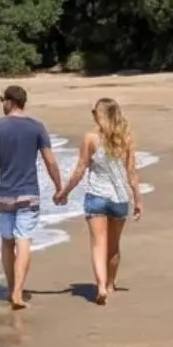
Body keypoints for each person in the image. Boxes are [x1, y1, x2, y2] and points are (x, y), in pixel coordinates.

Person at [0, 84, 64, 310]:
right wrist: (58, 186)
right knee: (24, 240)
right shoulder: (37, 128)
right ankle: (17, 292)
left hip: (3, 194)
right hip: (29, 194)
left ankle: (11, 287)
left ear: (10, 101)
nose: (2, 104)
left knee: (7, 241)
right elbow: (50, 161)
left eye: (2, 100)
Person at [56, 97, 144, 305]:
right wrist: (138, 199)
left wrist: (65, 191)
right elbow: (132, 173)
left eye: (94, 113)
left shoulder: (91, 139)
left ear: (99, 115)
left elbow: (80, 169)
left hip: (96, 196)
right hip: (120, 199)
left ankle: (101, 286)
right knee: (113, 246)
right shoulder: (126, 138)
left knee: (98, 245)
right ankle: (111, 284)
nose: (93, 116)